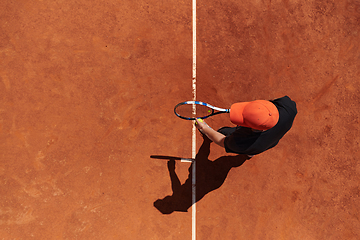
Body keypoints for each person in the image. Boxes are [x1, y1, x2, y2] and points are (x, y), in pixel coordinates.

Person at [195, 95, 297, 157]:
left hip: (253, 146)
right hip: (270, 141)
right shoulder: (289, 108)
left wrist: (204, 127)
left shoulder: (241, 143)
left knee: (223, 131)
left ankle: (249, 152)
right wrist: (259, 110)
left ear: (252, 127)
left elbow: (222, 141)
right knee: (254, 150)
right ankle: (250, 154)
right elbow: (270, 103)